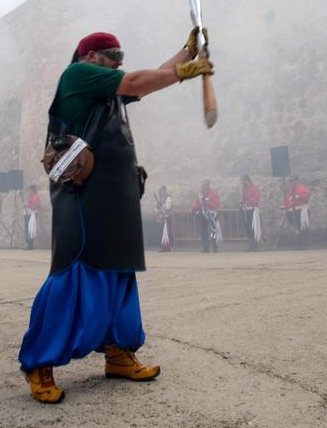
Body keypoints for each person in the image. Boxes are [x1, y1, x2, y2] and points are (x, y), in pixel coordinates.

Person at [17, 29, 213, 403]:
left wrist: (186, 51)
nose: (118, 64)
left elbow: (148, 78)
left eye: (120, 59)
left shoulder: (108, 89)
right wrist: (188, 72)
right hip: (84, 196)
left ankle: (118, 354)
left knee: (120, 273)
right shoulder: (77, 75)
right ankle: (39, 362)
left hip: (116, 193)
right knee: (74, 275)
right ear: (91, 57)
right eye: (111, 57)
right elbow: (139, 79)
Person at [192, 179, 221, 253]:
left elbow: (216, 204)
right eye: (204, 185)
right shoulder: (201, 194)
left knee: (213, 231)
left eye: (206, 184)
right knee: (203, 231)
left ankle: (215, 248)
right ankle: (206, 248)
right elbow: (198, 203)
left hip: (211, 214)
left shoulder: (213, 193)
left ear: (209, 185)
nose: (205, 186)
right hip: (203, 214)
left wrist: (208, 204)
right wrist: (194, 209)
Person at [282, 176, 310, 250]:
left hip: (300, 210)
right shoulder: (291, 191)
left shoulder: (301, 188)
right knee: (295, 228)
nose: (291, 182)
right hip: (292, 211)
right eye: (290, 181)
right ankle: (299, 243)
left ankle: (304, 244)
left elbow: (306, 196)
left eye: (292, 180)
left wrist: (297, 196)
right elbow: (288, 201)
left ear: (297, 180)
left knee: (301, 227)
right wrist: (285, 205)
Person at [239, 175, 261, 251]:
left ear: (246, 180)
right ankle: (251, 246)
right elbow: (243, 199)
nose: (242, 183)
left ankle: (255, 246)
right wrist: (241, 203)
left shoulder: (255, 188)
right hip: (246, 210)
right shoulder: (244, 189)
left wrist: (247, 197)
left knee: (253, 228)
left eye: (242, 181)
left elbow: (256, 201)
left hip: (252, 210)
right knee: (247, 228)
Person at [153, 185, 174, 252]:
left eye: (162, 191)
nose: (161, 192)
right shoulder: (160, 199)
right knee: (161, 233)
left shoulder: (168, 198)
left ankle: (168, 247)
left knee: (167, 233)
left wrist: (162, 205)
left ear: (164, 191)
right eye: (160, 191)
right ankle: (163, 247)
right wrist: (157, 208)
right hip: (162, 217)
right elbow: (156, 208)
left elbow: (168, 207)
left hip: (167, 217)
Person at [23, 184, 41, 250]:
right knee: (27, 229)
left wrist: (27, 205)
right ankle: (29, 244)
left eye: (30, 189)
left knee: (31, 229)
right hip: (27, 213)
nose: (29, 191)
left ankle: (30, 245)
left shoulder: (35, 197)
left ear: (33, 190)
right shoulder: (30, 196)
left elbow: (36, 205)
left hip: (32, 214)